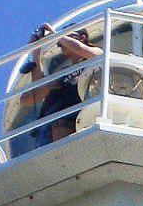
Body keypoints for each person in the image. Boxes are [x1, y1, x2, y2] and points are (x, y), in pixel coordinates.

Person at [10, 24, 102, 155]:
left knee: (61, 131)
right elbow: (28, 99)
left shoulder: (97, 56)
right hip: (48, 126)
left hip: (79, 118)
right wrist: (36, 51)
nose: (61, 42)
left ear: (82, 38)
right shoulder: (61, 74)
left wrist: (55, 35)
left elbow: (87, 52)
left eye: (67, 34)